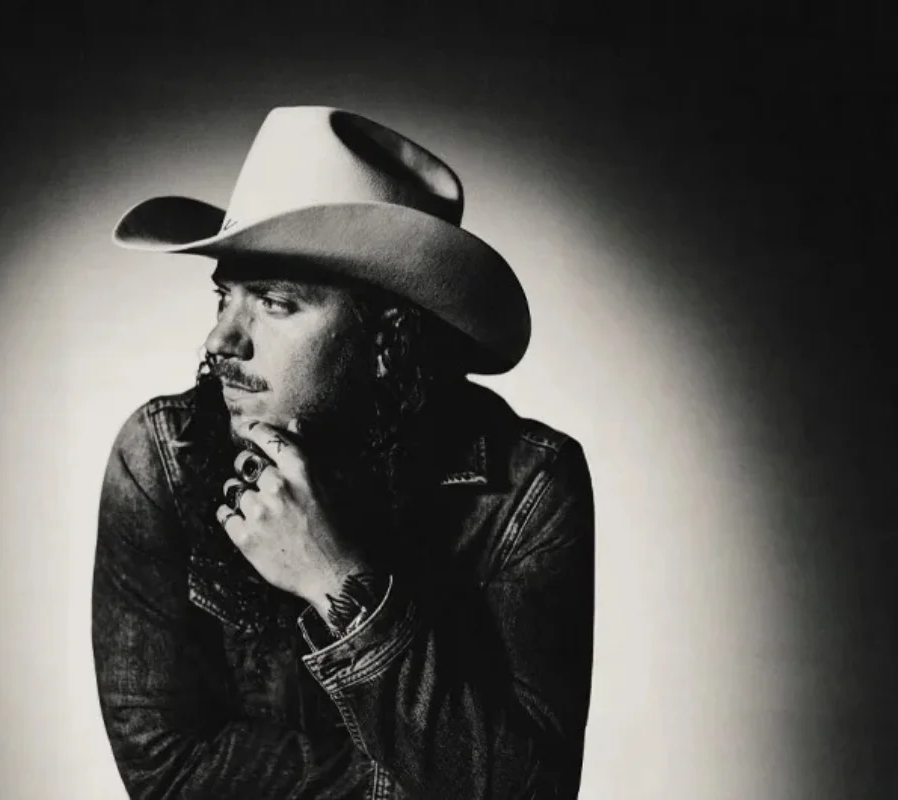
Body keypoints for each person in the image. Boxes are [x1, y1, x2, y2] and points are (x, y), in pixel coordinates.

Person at [92, 105, 595, 799]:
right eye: (224, 298)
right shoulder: (160, 459)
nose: (221, 341)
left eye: (274, 302)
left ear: (386, 341)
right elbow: (165, 771)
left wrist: (337, 581)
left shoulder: (528, 488)